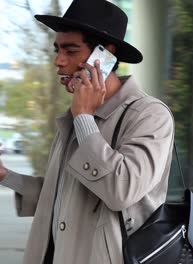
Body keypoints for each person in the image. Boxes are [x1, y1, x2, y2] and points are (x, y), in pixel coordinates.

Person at [0, 0, 174, 263]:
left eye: (71, 51)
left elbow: (120, 191)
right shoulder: (75, 116)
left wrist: (84, 118)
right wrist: (5, 176)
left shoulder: (150, 115)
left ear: (105, 55)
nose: (59, 61)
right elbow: (62, 198)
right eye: (57, 50)